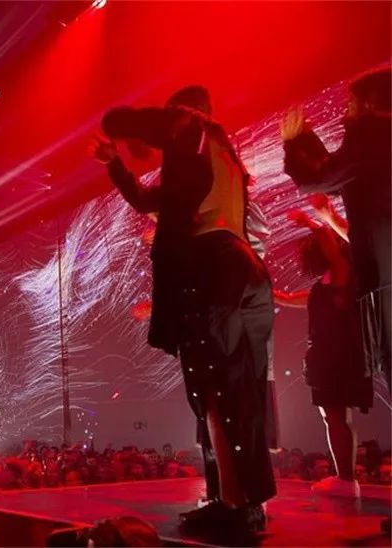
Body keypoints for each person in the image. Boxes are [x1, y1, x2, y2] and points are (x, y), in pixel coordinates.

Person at [92, 85, 275, 535]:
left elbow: (129, 121)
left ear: (183, 110)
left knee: (214, 387)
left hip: (213, 264)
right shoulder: (224, 153)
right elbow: (146, 200)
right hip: (246, 267)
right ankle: (243, 500)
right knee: (242, 389)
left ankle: (233, 505)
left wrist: (116, 127)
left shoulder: (189, 126)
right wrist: (115, 164)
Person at [282, 66, 391, 387]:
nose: (346, 112)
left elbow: (317, 178)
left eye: (351, 103)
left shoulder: (371, 131)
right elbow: (341, 173)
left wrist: (293, 142)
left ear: (368, 103)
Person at [275, 207, 373, 497]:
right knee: (335, 417)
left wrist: (311, 221)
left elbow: (332, 250)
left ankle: (345, 480)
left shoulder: (343, 272)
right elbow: (295, 298)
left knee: (335, 417)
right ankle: (345, 479)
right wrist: (272, 293)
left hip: (335, 358)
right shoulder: (332, 280)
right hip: (334, 357)